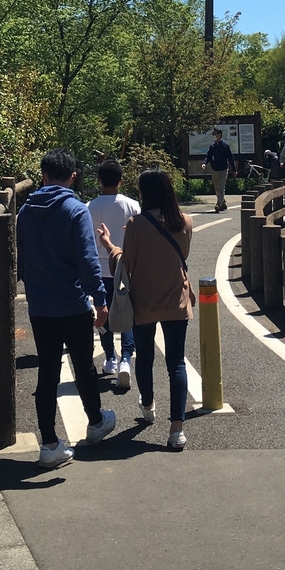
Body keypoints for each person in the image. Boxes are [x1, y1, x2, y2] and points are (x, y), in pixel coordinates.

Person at [17, 148, 117, 469]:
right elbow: (88, 261)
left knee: (47, 372)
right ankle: (96, 422)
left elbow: (21, 262)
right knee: (84, 365)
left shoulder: (24, 212)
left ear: (43, 175)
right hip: (73, 304)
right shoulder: (75, 210)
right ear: (73, 177)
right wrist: (100, 300)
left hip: (40, 307)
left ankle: (49, 444)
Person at [98, 168, 193, 451]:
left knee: (145, 356)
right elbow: (182, 256)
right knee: (176, 363)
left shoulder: (136, 224)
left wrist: (110, 244)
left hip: (143, 302)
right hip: (176, 300)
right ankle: (176, 429)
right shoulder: (185, 221)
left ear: (145, 193)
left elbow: (125, 264)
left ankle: (149, 405)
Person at [87, 158, 139, 388]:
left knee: (103, 313)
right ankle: (126, 358)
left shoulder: (90, 207)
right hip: (126, 267)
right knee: (127, 314)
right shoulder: (133, 205)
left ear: (99, 180)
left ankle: (110, 358)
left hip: (100, 268)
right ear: (121, 181)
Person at [202, 127, 236, 211]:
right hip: (214, 168)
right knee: (216, 188)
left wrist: (234, 169)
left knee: (221, 187)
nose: (214, 136)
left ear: (219, 135)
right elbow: (208, 156)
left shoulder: (225, 146)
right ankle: (222, 202)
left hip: (223, 169)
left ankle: (218, 205)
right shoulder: (212, 146)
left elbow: (231, 158)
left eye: (215, 134)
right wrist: (204, 163)